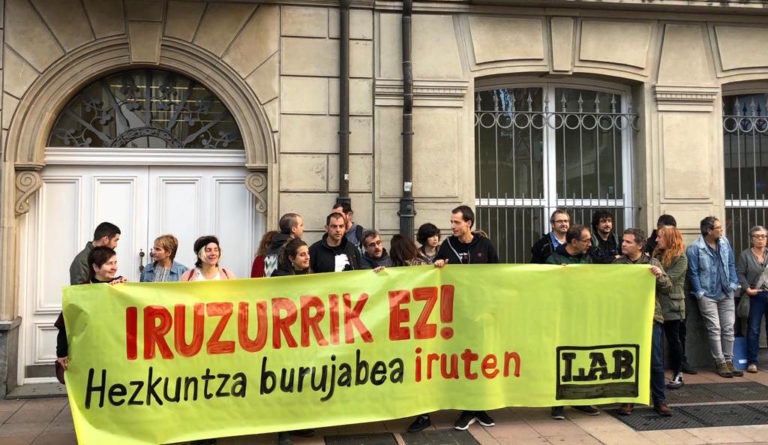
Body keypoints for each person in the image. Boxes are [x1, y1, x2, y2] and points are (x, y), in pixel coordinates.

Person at [431, 205, 497, 431]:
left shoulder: (485, 245)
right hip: (455, 316)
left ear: (468, 222)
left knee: (481, 361)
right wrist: (438, 265)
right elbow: (435, 276)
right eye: (451, 222)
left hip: (480, 314)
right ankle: (466, 408)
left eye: (456, 222)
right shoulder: (446, 246)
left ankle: (479, 407)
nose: (452, 226)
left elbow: (497, 275)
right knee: (462, 362)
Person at [615, 229, 673, 417]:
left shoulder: (651, 263)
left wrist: (659, 276)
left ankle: (659, 400)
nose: (623, 244)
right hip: (626, 319)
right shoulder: (617, 264)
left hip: (650, 318)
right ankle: (628, 400)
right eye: (623, 241)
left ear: (639, 245)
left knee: (655, 361)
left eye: (628, 242)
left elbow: (667, 288)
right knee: (627, 360)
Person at [546, 225, 599, 419]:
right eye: (585, 240)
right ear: (573, 242)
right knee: (560, 357)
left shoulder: (589, 257)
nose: (589, 243)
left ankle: (580, 399)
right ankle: (557, 403)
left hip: (583, 314)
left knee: (582, 356)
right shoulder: (554, 259)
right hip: (561, 315)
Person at [56, 246, 127, 375]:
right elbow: (65, 324)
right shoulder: (81, 291)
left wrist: (126, 289)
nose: (114, 267)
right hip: (89, 355)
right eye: (109, 263)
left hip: (116, 355)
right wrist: (61, 353)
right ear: (95, 267)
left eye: (115, 262)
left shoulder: (122, 286)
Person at [686, 216, 742, 378]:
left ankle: (729, 360)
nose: (721, 230)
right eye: (718, 227)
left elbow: (731, 264)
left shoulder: (724, 243)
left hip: (726, 291)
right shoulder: (695, 248)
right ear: (708, 231)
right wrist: (700, 293)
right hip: (707, 294)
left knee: (729, 327)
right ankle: (720, 362)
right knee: (714, 328)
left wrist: (733, 283)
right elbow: (693, 272)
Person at [652, 226, 688, 389]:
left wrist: (657, 274)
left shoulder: (681, 258)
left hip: (672, 304)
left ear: (670, 239)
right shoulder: (655, 255)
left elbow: (670, 278)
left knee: (674, 340)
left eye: (660, 237)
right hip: (657, 304)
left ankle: (678, 373)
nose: (657, 240)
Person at [737, 225, 768, 374]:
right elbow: (741, 274)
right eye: (757, 236)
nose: (760, 239)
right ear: (752, 239)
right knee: (753, 329)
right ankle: (752, 361)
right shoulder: (745, 255)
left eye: (763, 236)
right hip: (755, 295)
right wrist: (747, 289)